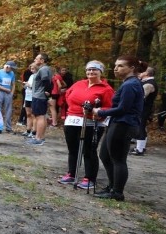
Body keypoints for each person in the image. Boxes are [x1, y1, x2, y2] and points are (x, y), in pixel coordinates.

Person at [92, 56, 147, 201]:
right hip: (117, 123)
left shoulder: (131, 85)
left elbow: (123, 108)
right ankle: (111, 186)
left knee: (118, 159)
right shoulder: (128, 83)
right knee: (105, 155)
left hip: (124, 124)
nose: (116, 68)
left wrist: (101, 112)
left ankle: (117, 192)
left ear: (132, 68)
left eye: (121, 66)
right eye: (116, 65)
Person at [57, 61, 114, 189]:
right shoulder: (79, 83)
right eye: (89, 70)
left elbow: (109, 107)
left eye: (95, 70)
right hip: (72, 119)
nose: (91, 72)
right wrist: (74, 107)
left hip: (91, 122)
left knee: (89, 150)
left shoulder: (106, 89)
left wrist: (97, 112)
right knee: (73, 148)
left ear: (101, 72)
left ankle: (90, 178)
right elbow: (67, 95)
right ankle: (72, 173)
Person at [27, 53, 53, 146]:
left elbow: (46, 81)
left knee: (39, 116)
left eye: (36, 58)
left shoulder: (44, 69)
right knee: (41, 116)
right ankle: (40, 137)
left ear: (42, 60)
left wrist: (47, 91)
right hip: (39, 96)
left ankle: (38, 138)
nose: (34, 60)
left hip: (39, 96)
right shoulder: (44, 69)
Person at [132, 66, 157, 155]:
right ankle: (141, 147)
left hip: (144, 109)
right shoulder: (146, 82)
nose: (139, 73)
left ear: (146, 73)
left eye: (142, 71)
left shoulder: (149, 84)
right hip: (145, 108)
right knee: (142, 127)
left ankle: (140, 149)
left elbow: (141, 97)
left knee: (141, 127)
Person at [0, 61, 16, 133]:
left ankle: (8, 128)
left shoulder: (12, 73)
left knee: (8, 110)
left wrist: (12, 93)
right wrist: (5, 89)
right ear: (7, 67)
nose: (12, 70)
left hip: (8, 93)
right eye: (11, 68)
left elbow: (13, 84)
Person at [21, 63, 37, 138]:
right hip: (27, 96)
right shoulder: (31, 76)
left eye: (33, 68)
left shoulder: (38, 76)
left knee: (34, 115)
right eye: (31, 68)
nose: (31, 70)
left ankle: (34, 131)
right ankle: (28, 130)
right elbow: (28, 86)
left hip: (33, 96)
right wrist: (24, 85)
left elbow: (34, 86)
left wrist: (28, 84)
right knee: (28, 114)